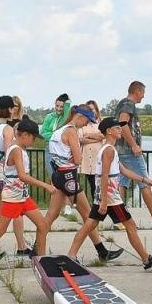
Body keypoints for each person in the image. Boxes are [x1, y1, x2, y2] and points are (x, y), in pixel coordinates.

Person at [69, 118, 152, 270]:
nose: (120, 130)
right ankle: (147, 260)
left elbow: (124, 171)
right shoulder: (108, 150)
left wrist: (145, 180)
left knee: (89, 225)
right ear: (109, 131)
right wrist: (103, 201)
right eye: (117, 128)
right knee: (130, 225)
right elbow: (104, 175)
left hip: (104, 195)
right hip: (109, 197)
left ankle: (71, 256)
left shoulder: (109, 149)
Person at [42, 105, 122, 263]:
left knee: (52, 214)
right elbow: (78, 159)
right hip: (69, 177)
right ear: (79, 116)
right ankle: (96, 252)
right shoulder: (71, 131)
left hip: (58, 174)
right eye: (87, 120)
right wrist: (75, 158)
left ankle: (38, 249)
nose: (87, 124)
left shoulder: (60, 129)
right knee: (88, 216)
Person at [0, 116, 54, 263]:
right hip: (12, 198)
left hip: (22, 196)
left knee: (42, 225)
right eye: (33, 138)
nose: (34, 141)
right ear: (24, 135)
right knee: (0, 231)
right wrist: (46, 185)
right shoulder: (16, 150)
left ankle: (42, 261)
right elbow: (23, 176)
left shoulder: (18, 148)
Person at [115, 81, 152, 229]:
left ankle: (119, 220)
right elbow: (123, 124)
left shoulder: (122, 103)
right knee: (145, 182)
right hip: (130, 152)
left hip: (121, 150)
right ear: (137, 92)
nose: (143, 96)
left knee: (122, 183)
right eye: (143, 93)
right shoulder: (128, 104)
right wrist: (134, 145)